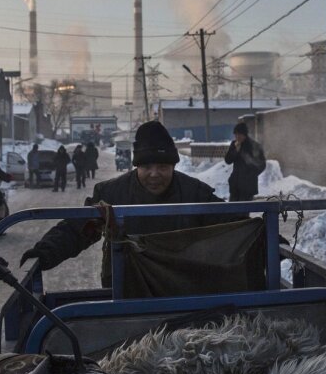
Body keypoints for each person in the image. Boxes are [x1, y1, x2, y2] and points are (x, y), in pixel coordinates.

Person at [22, 120, 238, 285]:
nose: (154, 174)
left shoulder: (196, 194)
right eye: (146, 167)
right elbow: (77, 229)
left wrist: (265, 237)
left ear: (173, 166)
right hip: (128, 292)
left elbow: (234, 225)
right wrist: (45, 252)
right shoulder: (111, 194)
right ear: (137, 167)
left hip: (181, 290)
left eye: (162, 167)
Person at [224, 122, 266, 202]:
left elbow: (262, 165)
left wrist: (251, 175)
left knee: (244, 211)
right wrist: (235, 150)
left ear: (244, 134)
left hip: (248, 186)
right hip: (235, 185)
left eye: (239, 135)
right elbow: (228, 160)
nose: (237, 137)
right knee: (232, 211)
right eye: (235, 135)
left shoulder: (254, 146)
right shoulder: (234, 144)